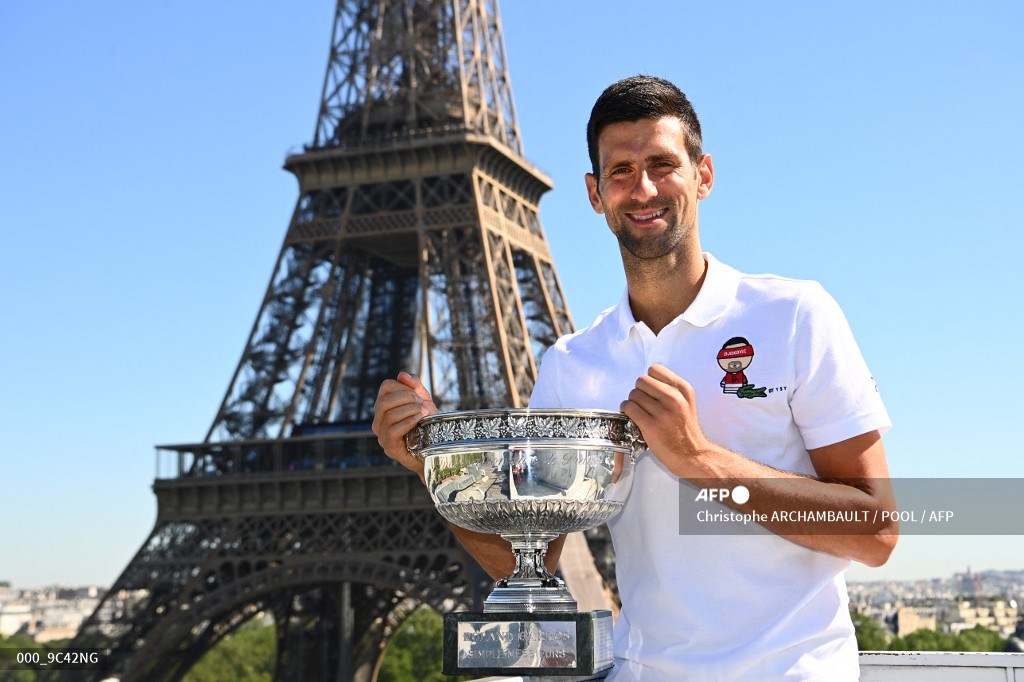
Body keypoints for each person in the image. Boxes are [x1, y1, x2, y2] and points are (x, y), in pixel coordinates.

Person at [373, 75, 898, 681]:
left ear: (703, 175)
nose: (643, 188)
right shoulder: (572, 364)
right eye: (621, 171)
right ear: (596, 195)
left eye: (662, 164)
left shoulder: (795, 316)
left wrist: (702, 460)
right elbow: (531, 563)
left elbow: (876, 531)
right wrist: (435, 468)